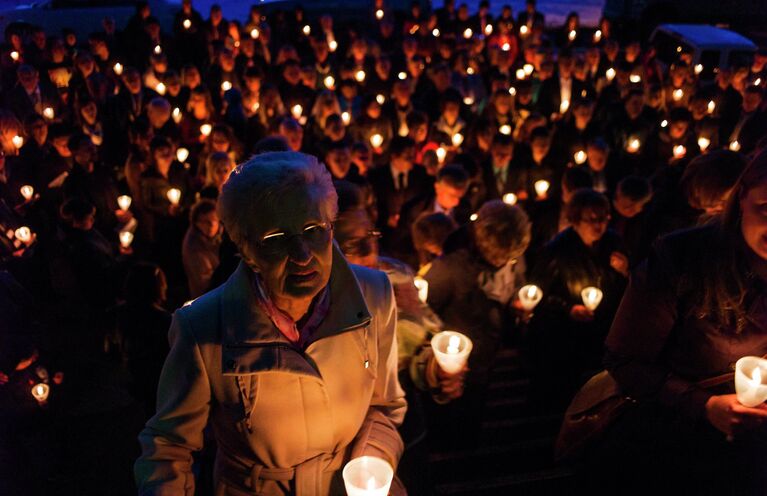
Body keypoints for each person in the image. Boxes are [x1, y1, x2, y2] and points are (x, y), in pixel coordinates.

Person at [135, 151, 406, 495]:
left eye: (313, 229)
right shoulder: (202, 327)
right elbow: (169, 447)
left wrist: (371, 463)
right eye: (277, 239)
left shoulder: (375, 295)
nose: (303, 254)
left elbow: (384, 406)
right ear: (246, 249)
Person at [591, 148, 767, 494]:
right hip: (673, 449)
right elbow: (623, 359)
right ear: (742, 195)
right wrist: (703, 405)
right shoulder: (680, 259)